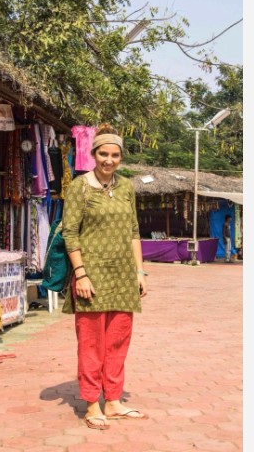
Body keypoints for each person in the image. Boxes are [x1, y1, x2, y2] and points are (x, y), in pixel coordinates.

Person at [61, 123, 148, 430]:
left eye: (114, 155)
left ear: (120, 158)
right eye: (103, 154)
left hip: (124, 277)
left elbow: (134, 231)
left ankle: (112, 401)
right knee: (90, 343)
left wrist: (140, 271)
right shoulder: (79, 188)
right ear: (93, 154)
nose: (109, 160)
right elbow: (69, 232)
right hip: (91, 277)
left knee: (118, 341)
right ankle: (91, 403)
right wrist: (81, 274)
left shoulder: (126, 187)